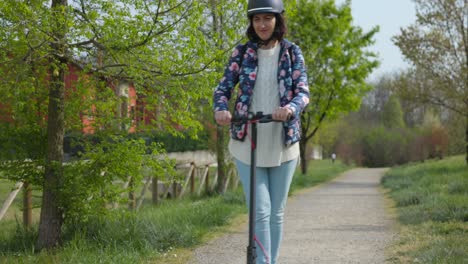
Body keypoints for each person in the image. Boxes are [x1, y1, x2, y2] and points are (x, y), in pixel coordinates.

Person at [213, 0, 309, 263]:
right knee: (260, 211)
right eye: (257, 20)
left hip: (283, 141)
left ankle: (270, 261)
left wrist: (289, 108)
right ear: (251, 23)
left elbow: (303, 93)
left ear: (278, 20)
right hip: (248, 140)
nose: (262, 25)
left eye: (268, 18)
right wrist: (221, 110)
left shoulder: (291, 53)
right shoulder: (241, 53)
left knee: (276, 212)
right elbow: (222, 89)